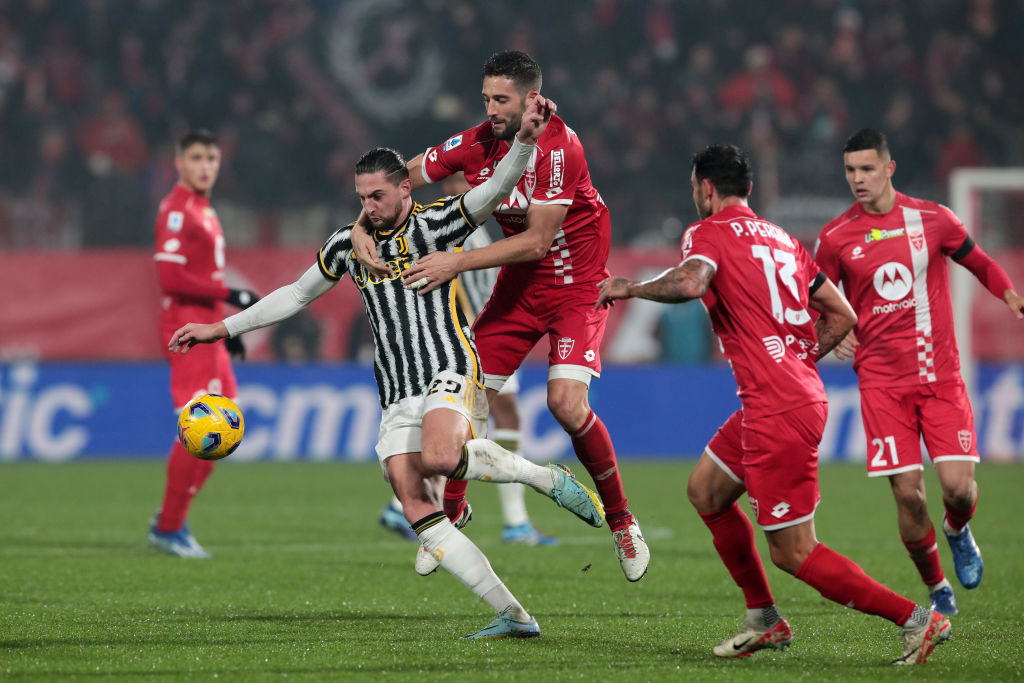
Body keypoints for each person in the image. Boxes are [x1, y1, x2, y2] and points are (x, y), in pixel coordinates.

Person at [168, 97, 605, 640]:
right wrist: (222, 328)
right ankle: (514, 614)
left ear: (405, 189)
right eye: (361, 198)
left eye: (377, 195)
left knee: (440, 456)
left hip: (449, 365)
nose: (369, 207)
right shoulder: (347, 245)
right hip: (397, 390)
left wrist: (523, 142)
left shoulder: (439, 224)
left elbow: (493, 192)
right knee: (413, 501)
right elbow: (296, 294)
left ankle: (543, 477)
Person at [596, 143, 951, 665]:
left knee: (794, 552)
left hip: (778, 407)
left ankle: (918, 620)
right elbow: (843, 314)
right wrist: (798, 358)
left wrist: (629, 286)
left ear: (706, 189)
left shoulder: (707, 231)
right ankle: (763, 618)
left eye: (695, 188)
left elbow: (691, 282)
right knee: (706, 491)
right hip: (785, 395)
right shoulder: (783, 239)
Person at [352, 50, 648, 581]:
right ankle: (453, 512)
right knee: (467, 393)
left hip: (577, 286)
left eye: (502, 99)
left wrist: (456, 261)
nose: (491, 108)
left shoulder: (560, 146)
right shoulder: (475, 142)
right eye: (486, 98)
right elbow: (403, 178)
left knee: (566, 404)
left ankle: (622, 521)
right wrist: (360, 224)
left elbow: (537, 241)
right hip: (520, 288)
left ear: (531, 98)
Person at [814, 128, 1024, 615]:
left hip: (940, 376)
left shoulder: (933, 219)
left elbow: (980, 262)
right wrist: (837, 329)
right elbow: (820, 300)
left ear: (889, 168)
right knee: (908, 496)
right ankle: (936, 587)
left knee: (958, 490)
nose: (858, 179)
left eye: (867, 169)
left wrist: (1009, 293)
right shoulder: (835, 237)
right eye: (850, 170)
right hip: (881, 384)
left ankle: (957, 529)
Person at [379, 222, 558, 547]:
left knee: (491, 420)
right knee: (477, 424)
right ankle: (514, 523)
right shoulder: (456, 226)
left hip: (483, 330)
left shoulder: (473, 223)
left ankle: (404, 505)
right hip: (473, 337)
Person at [149, 129, 260, 558]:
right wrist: (230, 294)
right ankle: (168, 525)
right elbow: (170, 277)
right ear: (179, 162)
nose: (205, 166)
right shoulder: (177, 210)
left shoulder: (203, 208)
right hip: (185, 330)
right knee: (198, 427)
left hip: (207, 329)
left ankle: (171, 519)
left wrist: (226, 330)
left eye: (211, 158)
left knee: (225, 428)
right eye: (196, 158)